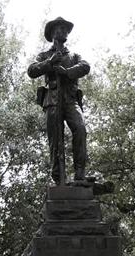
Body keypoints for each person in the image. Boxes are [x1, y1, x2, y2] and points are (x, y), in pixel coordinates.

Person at [27, 16, 90, 184]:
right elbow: (31, 70)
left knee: (81, 129)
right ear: (53, 33)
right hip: (53, 101)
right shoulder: (45, 55)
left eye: (65, 29)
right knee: (55, 140)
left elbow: (85, 66)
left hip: (70, 100)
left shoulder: (75, 55)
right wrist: (49, 62)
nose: (63, 31)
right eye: (59, 28)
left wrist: (67, 72)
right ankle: (58, 177)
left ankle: (80, 174)